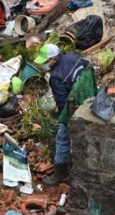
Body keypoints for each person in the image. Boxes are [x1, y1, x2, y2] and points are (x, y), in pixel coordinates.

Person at [34, 44, 92, 186]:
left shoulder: (55, 77)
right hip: (89, 98)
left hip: (74, 107)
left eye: (45, 62)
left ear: (53, 59)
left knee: (61, 138)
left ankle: (60, 174)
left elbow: (62, 103)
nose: (43, 65)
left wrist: (63, 120)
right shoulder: (72, 57)